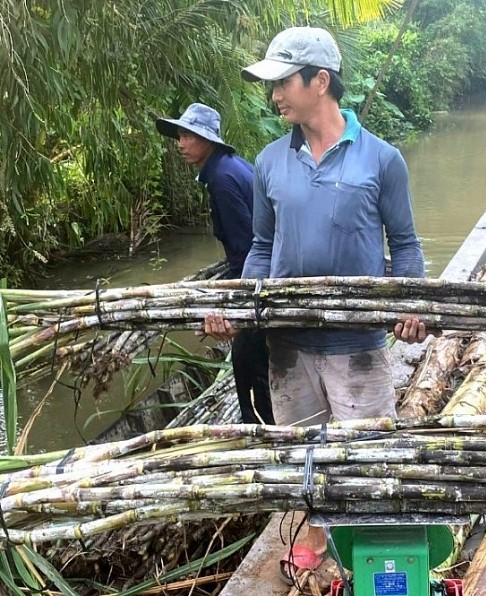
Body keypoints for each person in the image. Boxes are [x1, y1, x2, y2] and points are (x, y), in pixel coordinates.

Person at [204, 26, 430, 582]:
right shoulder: (269, 162)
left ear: (320, 81)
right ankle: (314, 535)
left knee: (367, 453)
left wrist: (411, 303)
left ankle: (372, 547)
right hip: (288, 342)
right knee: (304, 450)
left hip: (356, 343)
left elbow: (404, 244)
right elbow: (261, 246)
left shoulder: (381, 159)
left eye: (283, 81)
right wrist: (240, 309)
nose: (275, 94)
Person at [155, 103, 274, 425]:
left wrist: (237, 308)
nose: (180, 144)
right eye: (179, 136)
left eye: (187, 136)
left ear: (207, 139)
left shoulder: (222, 178)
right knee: (258, 367)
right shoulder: (232, 167)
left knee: (250, 372)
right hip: (265, 278)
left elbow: (247, 247)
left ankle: (263, 438)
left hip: (256, 287)